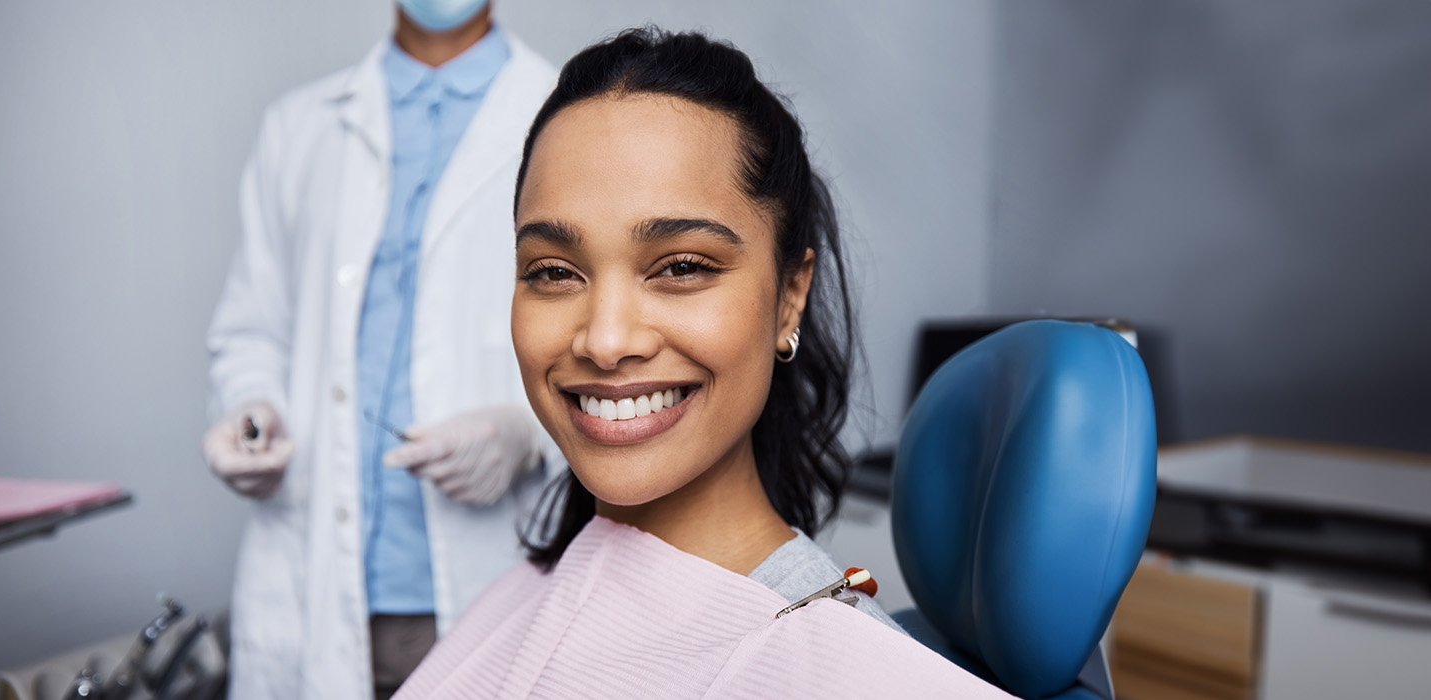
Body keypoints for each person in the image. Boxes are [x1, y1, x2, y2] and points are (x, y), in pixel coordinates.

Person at [392, 28, 1011, 698]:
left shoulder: (845, 668)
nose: (604, 340)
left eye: (682, 267)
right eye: (554, 272)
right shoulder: (521, 596)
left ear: (788, 297)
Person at [201, 2, 559, 699]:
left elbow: (606, 337)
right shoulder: (300, 127)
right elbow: (251, 329)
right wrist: (254, 409)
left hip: (481, 586)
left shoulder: (563, 118)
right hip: (312, 585)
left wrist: (528, 433)